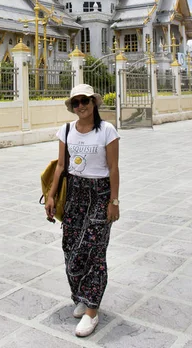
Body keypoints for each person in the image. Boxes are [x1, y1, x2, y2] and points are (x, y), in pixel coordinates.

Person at [45, 84, 120, 338]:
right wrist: (51, 195)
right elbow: (60, 167)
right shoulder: (66, 131)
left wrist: (114, 201)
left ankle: (92, 310)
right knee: (71, 248)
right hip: (75, 194)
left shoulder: (107, 131)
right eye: (76, 102)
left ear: (94, 102)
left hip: (99, 194)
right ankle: (80, 295)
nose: (81, 106)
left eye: (85, 101)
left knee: (95, 250)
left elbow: (113, 168)